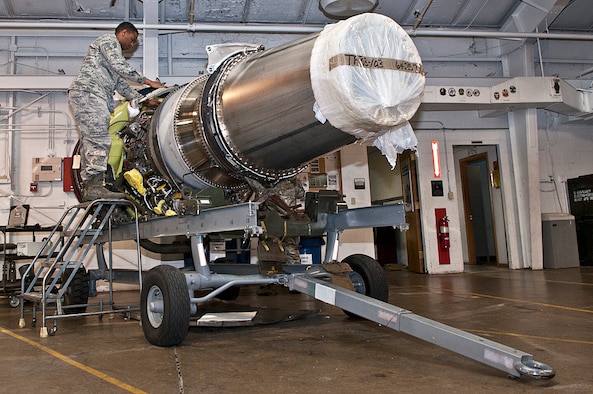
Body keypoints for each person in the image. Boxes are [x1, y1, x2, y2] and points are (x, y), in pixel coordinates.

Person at [68, 21, 165, 201]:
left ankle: (92, 185)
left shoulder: (107, 62)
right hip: (90, 92)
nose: (132, 44)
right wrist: (149, 82)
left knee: (92, 139)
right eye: (132, 39)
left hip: (91, 94)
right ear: (124, 32)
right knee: (99, 139)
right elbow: (120, 65)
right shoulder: (108, 41)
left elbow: (122, 85)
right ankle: (95, 186)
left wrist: (145, 100)